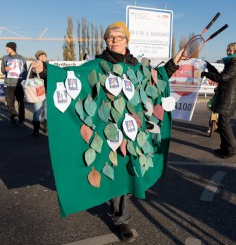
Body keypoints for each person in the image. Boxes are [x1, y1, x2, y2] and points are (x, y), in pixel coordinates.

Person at [43, 21, 186, 243]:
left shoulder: (136, 66)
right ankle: (122, 221)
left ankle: (118, 201)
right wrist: (45, 71)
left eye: (119, 36)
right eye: (111, 36)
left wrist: (173, 63)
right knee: (117, 175)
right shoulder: (97, 65)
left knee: (129, 174)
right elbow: (71, 77)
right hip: (108, 131)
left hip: (133, 131)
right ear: (106, 41)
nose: (115, 39)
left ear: (126, 41)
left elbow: (155, 79)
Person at [201, 42, 236, 159]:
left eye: (231, 50)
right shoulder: (232, 62)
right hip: (226, 96)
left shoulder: (235, 63)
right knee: (222, 123)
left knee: (224, 123)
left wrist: (206, 74)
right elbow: (222, 75)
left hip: (228, 98)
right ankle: (224, 147)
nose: (228, 51)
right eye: (227, 49)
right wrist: (208, 65)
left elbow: (222, 78)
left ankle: (231, 149)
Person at [1, 42, 27, 126]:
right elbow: (2, 70)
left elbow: (25, 71)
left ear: (12, 48)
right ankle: (13, 117)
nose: (6, 49)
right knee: (9, 103)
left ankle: (21, 120)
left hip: (19, 84)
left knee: (21, 103)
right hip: (9, 84)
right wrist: (5, 69)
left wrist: (24, 81)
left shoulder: (21, 58)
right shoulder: (5, 58)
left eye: (7, 47)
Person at [30, 50, 48, 136]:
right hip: (38, 92)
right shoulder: (33, 65)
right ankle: (36, 129)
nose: (43, 57)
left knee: (46, 110)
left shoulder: (49, 66)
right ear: (37, 57)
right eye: (41, 56)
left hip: (48, 90)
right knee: (37, 110)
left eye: (44, 55)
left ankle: (46, 127)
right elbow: (30, 78)